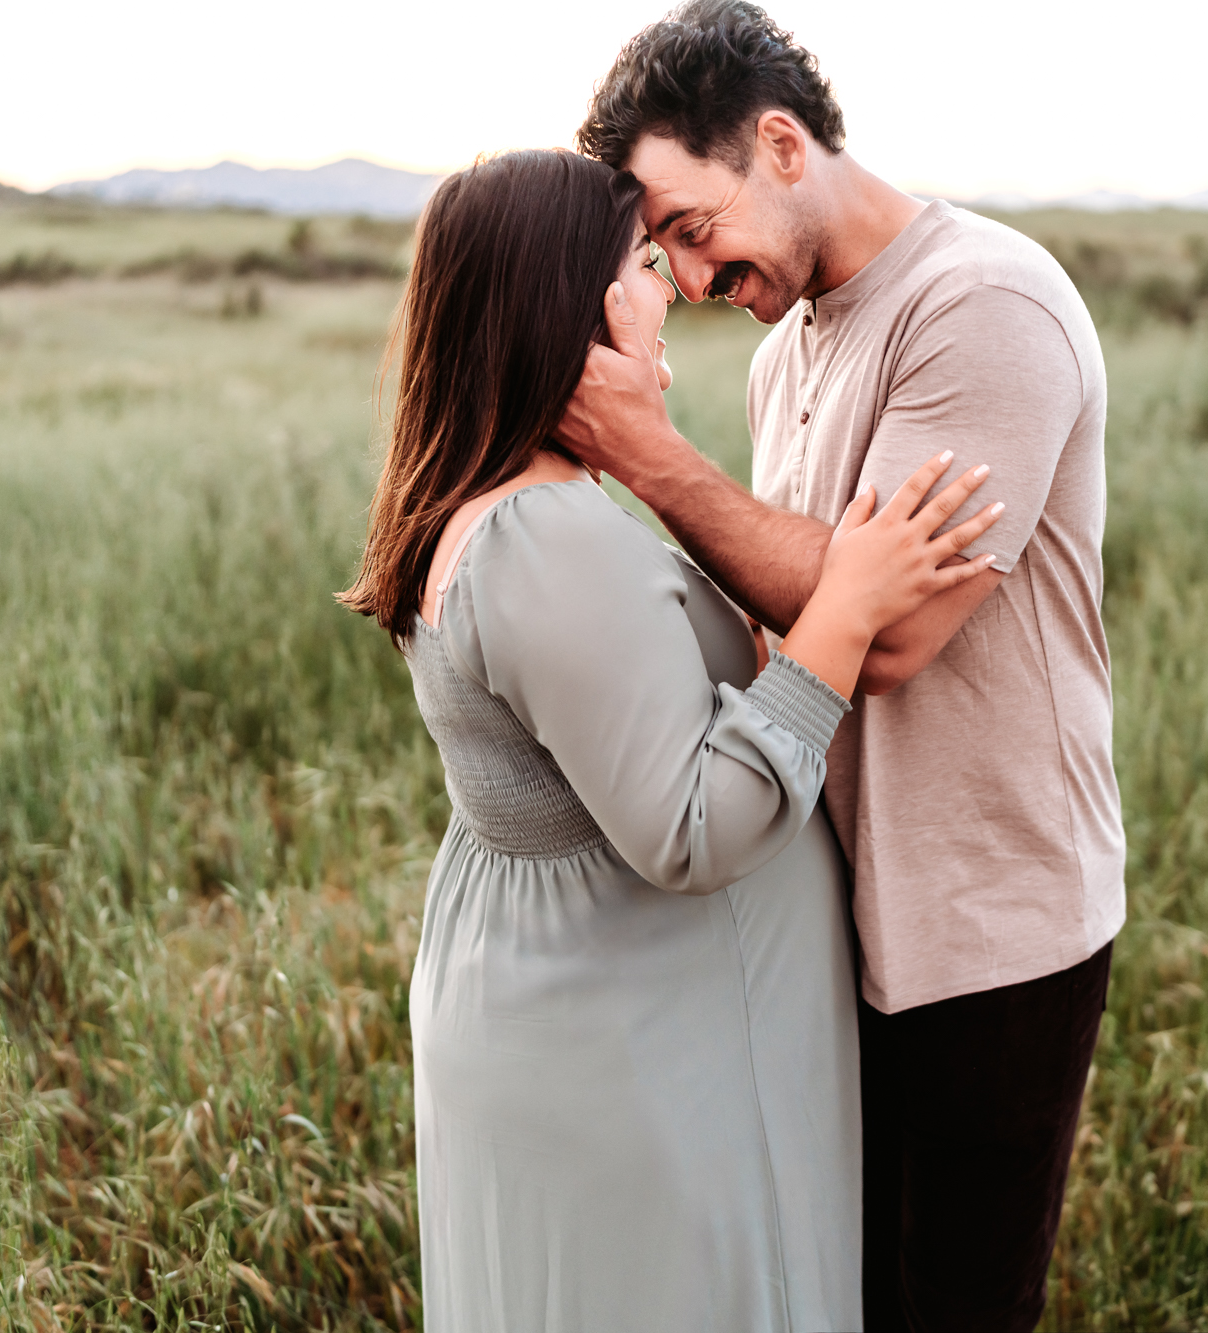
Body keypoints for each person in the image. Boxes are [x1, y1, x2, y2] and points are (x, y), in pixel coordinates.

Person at [338, 148, 1003, 1332]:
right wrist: (845, 605)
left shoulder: (493, 507)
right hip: (643, 1050)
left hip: (586, 1011)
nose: (670, 294)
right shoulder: (545, 535)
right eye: (644, 263)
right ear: (583, 305)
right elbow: (695, 827)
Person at [559, 5, 1127, 1329]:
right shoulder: (780, 361)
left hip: (992, 926)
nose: (691, 282)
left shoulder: (980, 303)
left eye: (693, 230)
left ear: (778, 143)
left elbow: (888, 638)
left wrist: (649, 457)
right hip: (835, 921)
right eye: (663, 253)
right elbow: (790, 621)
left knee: (957, 1306)